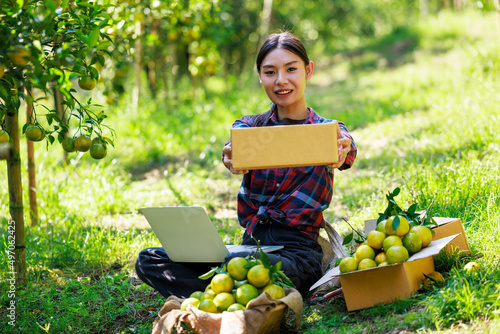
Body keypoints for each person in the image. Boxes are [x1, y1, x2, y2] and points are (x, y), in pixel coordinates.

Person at [135, 31, 357, 299]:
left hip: (297, 254)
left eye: (291, 69)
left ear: (308, 71)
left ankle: (228, 291)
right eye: (270, 72)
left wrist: (343, 149)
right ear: (260, 76)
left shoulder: (327, 131)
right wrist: (231, 154)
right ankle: (242, 291)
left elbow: (346, 146)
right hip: (249, 246)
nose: (281, 80)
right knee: (149, 260)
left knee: (240, 268)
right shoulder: (250, 128)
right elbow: (234, 147)